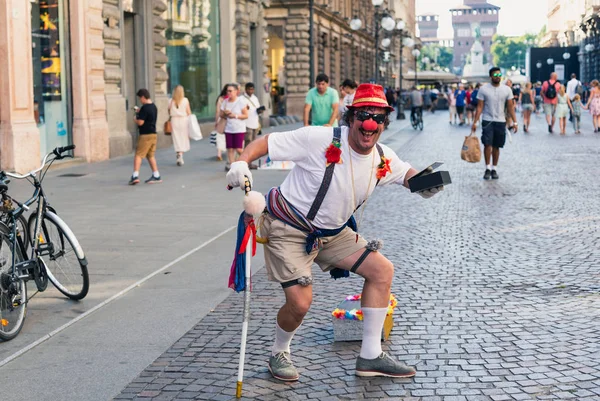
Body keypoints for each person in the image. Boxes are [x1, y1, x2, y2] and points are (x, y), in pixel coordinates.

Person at [226, 83, 443, 382]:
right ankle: (279, 350)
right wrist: (241, 162)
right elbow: (266, 142)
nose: (371, 124)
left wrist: (426, 184)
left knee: (381, 270)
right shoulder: (317, 138)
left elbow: (407, 174)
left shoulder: (382, 156)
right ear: (351, 117)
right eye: (364, 115)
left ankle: (370, 355)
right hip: (288, 226)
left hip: (333, 232)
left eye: (378, 118)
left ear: (383, 124)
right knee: (300, 303)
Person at [471, 67, 517, 180]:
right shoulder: (483, 89)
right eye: (495, 75)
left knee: (497, 146)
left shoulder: (507, 89)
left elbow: (510, 107)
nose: (498, 77)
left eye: (499, 75)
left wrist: (515, 122)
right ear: (491, 76)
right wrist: (475, 122)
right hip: (487, 120)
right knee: (487, 144)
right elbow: (480, 107)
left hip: (501, 121)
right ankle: (487, 167)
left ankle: (494, 168)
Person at [129, 89, 161, 185]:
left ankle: (135, 175)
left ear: (143, 97)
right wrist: (140, 111)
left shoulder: (145, 108)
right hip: (153, 134)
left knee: (138, 155)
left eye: (140, 98)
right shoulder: (153, 107)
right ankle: (156, 175)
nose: (140, 100)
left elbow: (141, 122)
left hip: (145, 135)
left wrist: (135, 118)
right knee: (150, 155)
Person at [220, 83, 249, 171]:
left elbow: (246, 115)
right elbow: (221, 115)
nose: (228, 92)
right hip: (229, 128)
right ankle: (233, 166)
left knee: (239, 149)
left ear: (236, 91)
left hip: (239, 128)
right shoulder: (225, 102)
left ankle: (247, 161)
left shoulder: (240, 101)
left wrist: (235, 116)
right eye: (227, 91)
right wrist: (225, 113)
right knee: (230, 149)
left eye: (230, 91)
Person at [169, 85, 192, 166]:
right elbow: (189, 112)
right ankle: (180, 155)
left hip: (174, 120)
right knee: (183, 137)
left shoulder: (171, 101)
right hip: (183, 120)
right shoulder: (185, 100)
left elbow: (168, 111)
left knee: (176, 138)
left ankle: (178, 153)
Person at [243, 82, 262, 169]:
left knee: (253, 144)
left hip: (255, 123)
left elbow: (256, 109)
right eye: (249, 89)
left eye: (252, 89)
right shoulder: (242, 99)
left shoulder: (255, 98)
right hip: (246, 124)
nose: (251, 91)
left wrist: (260, 111)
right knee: (248, 142)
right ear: (246, 89)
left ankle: (250, 162)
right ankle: (245, 162)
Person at [214, 85, 229, 161]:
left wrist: (216, 121)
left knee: (220, 136)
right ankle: (228, 150)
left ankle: (219, 153)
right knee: (227, 135)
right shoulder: (230, 99)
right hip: (229, 119)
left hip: (221, 118)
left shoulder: (220, 99)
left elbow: (217, 111)